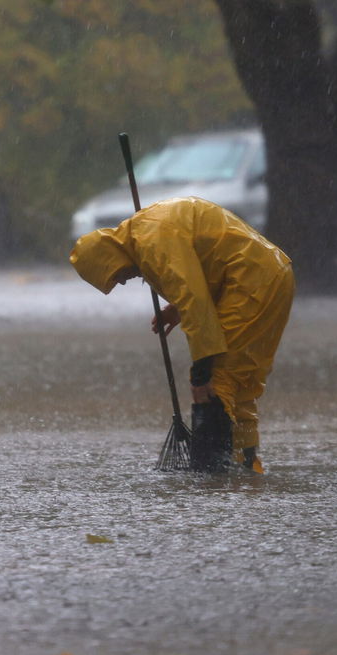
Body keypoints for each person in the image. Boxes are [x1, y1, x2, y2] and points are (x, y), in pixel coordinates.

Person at [69, 196, 295, 473]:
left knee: (217, 379)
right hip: (270, 273)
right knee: (240, 384)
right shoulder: (144, 235)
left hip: (250, 280)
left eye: (116, 276)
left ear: (109, 259)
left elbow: (195, 302)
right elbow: (199, 273)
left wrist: (200, 374)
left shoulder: (150, 239)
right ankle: (245, 470)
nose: (124, 281)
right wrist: (176, 310)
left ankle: (212, 472)